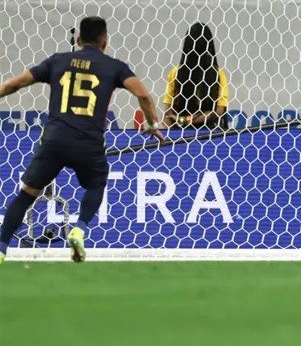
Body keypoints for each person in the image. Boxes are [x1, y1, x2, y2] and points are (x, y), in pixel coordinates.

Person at [0, 17, 165, 263]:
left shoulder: (58, 61)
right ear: (104, 42)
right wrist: (152, 124)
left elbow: (15, 84)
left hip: (55, 140)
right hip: (88, 142)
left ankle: (1, 247)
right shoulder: (114, 66)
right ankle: (79, 228)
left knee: (27, 194)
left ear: (78, 40)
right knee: (96, 185)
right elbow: (143, 94)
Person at [163, 23, 229, 129]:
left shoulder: (176, 71)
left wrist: (181, 122)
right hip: (208, 133)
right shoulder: (218, 73)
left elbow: (168, 111)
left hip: (180, 132)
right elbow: (219, 111)